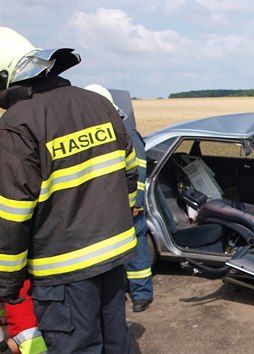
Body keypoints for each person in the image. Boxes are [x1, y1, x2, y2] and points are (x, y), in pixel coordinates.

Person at [0, 27, 138, 352]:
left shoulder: (19, 123)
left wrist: (8, 282)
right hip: (114, 258)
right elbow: (129, 177)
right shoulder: (100, 105)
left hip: (63, 271)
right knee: (116, 343)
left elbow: (12, 216)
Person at [84, 84, 153, 313]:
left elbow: (140, 170)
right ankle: (119, 291)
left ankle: (142, 294)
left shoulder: (126, 131)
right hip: (109, 207)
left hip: (129, 204)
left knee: (137, 250)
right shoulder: (97, 133)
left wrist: (136, 202)